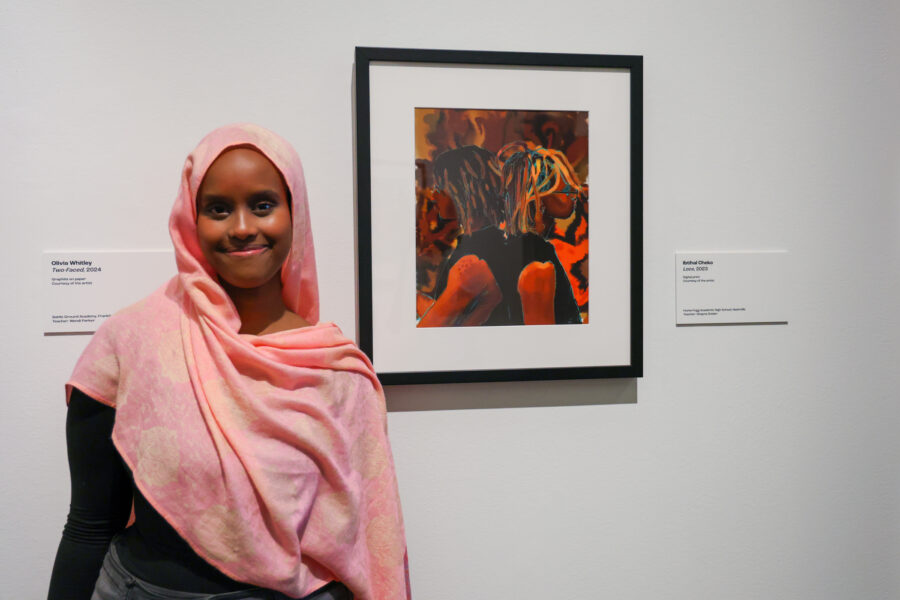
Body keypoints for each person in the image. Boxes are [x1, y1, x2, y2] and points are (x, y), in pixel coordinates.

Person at [47, 124, 410, 600]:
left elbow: (367, 547)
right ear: (190, 220)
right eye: (218, 209)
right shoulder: (131, 340)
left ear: (294, 212)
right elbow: (90, 524)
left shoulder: (336, 372)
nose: (242, 228)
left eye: (263, 204)